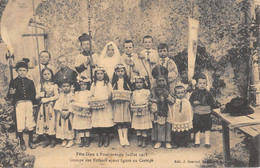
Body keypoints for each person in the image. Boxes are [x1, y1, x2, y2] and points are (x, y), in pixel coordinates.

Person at [7, 58, 36, 150]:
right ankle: (22, 141)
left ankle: (30, 141)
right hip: (19, 104)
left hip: (28, 103)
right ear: (17, 71)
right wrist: (11, 93)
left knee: (30, 122)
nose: (22, 72)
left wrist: (34, 104)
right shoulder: (13, 81)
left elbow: (33, 94)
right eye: (20, 70)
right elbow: (9, 96)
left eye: (24, 70)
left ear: (27, 71)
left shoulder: (30, 82)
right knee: (20, 123)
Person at [189, 73, 219, 148]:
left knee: (207, 126)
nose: (202, 85)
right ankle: (197, 140)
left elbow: (212, 102)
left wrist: (213, 109)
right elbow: (190, 101)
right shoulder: (194, 93)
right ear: (197, 84)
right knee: (196, 126)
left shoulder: (208, 93)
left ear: (206, 84)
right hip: (197, 112)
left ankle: (207, 141)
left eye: (204, 83)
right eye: (200, 83)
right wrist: (194, 102)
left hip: (206, 112)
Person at [149, 65, 175, 149]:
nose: (161, 83)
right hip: (158, 109)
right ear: (156, 81)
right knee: (159, 125)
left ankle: (167, 141)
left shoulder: (169, 90)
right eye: (159, 81)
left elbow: (173, 100)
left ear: (166, 81)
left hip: (167, 110)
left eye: (163, 80)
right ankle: (159, 141)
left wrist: (168, 97)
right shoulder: (153, 90)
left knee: (167, 125)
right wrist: (156, 102)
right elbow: (150, 99)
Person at [90, 67, 114, 147]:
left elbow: (110, 93)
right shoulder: (94, 84)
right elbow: (91, 94)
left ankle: (106, 137)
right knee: (99, 122)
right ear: (95, 75)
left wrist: (108, 98)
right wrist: (94, 100)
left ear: (104, 74)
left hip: (106, 105)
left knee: (106, 122)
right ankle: (100, 138)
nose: (99, 75)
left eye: (101, 73)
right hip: (97, 106)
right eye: (98, 74)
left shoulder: (107, 83)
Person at [36, 68, 59, 148]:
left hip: (51, 106)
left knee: (51, 121)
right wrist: (40, 95)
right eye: (45, 74)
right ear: (42, 76)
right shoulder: (40, 85)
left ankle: (53, 139)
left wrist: (49, 99)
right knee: (44, 121)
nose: (46, 76)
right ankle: (47, 139)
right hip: (43, 107)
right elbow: (36, 96)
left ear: (51, 75)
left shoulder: (54, 85)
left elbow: (57, 96)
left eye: (48, 74)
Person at [111, 64, 132, 147]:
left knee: (125, 120)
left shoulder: (126, 81)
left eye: (122, 71)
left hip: (125, 102)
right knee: (119, 120)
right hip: (117, 103)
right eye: (118, 71)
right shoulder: (114, 82)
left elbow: (130, 91)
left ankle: (125, 137)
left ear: (124, 72)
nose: (120, 73)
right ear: (115, 72)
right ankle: (121, 138)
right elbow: (111, 91)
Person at [131, 76, 152, 148]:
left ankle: (144, 140)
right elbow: (132, 101)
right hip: (136, 110)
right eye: (137, 82)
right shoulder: (133, 92)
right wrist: (133, 104)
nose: (139, 84)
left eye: (140, 82)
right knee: (138, 127)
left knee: (144, 127)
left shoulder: (146, 91)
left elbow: (149, 100)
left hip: (144, 110)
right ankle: (139, 139)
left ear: (144, 83)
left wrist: (146, 104)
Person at [54, 80, 75, 148]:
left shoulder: (72, 95)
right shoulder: (60, 95)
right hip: (62, 113)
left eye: (67, 86)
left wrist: (69, 112)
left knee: (69, 126)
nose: (66, 88)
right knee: (62, 126)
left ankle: (71, 139)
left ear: (70, 87)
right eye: (64, 86)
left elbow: (72, 104)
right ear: (61, 87)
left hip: (69, 113)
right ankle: (64, 139)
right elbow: (58, 104)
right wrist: (60, 112)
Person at [72, 76, 92, 147]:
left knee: (86, 125)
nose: (83, 86)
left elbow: (90, 101)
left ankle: (87, 139)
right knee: (80, 125)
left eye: (84, 84)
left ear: (87, 85)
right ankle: (82, 139)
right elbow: (75, 101)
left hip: (86, 110)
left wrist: (89, 106)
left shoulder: (88, 93)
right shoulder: (77, 93)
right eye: (81, 85)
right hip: (79, 111)